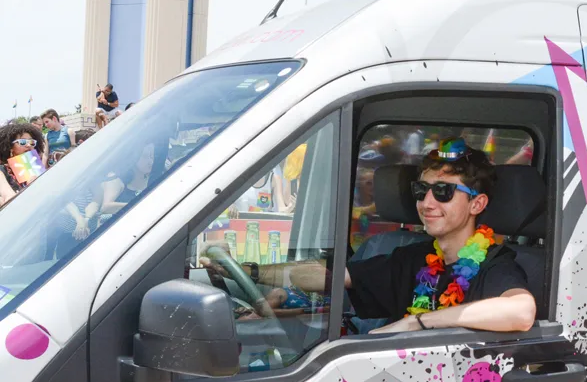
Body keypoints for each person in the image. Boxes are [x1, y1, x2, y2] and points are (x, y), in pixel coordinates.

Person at [205, 138, 536, 334]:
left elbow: (521, 311)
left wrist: (416, 324)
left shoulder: (494, 263)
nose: (426, 203)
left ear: (477, 203)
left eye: (443, 192)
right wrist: (250, 271)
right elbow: (329, 276)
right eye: (421, 190)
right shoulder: (415, 258)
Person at [0, 122, 46, 194]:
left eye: (31, 142)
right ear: (10, 147)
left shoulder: (38, 166)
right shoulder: (2, 171)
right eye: (22, 142)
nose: (28, 145)